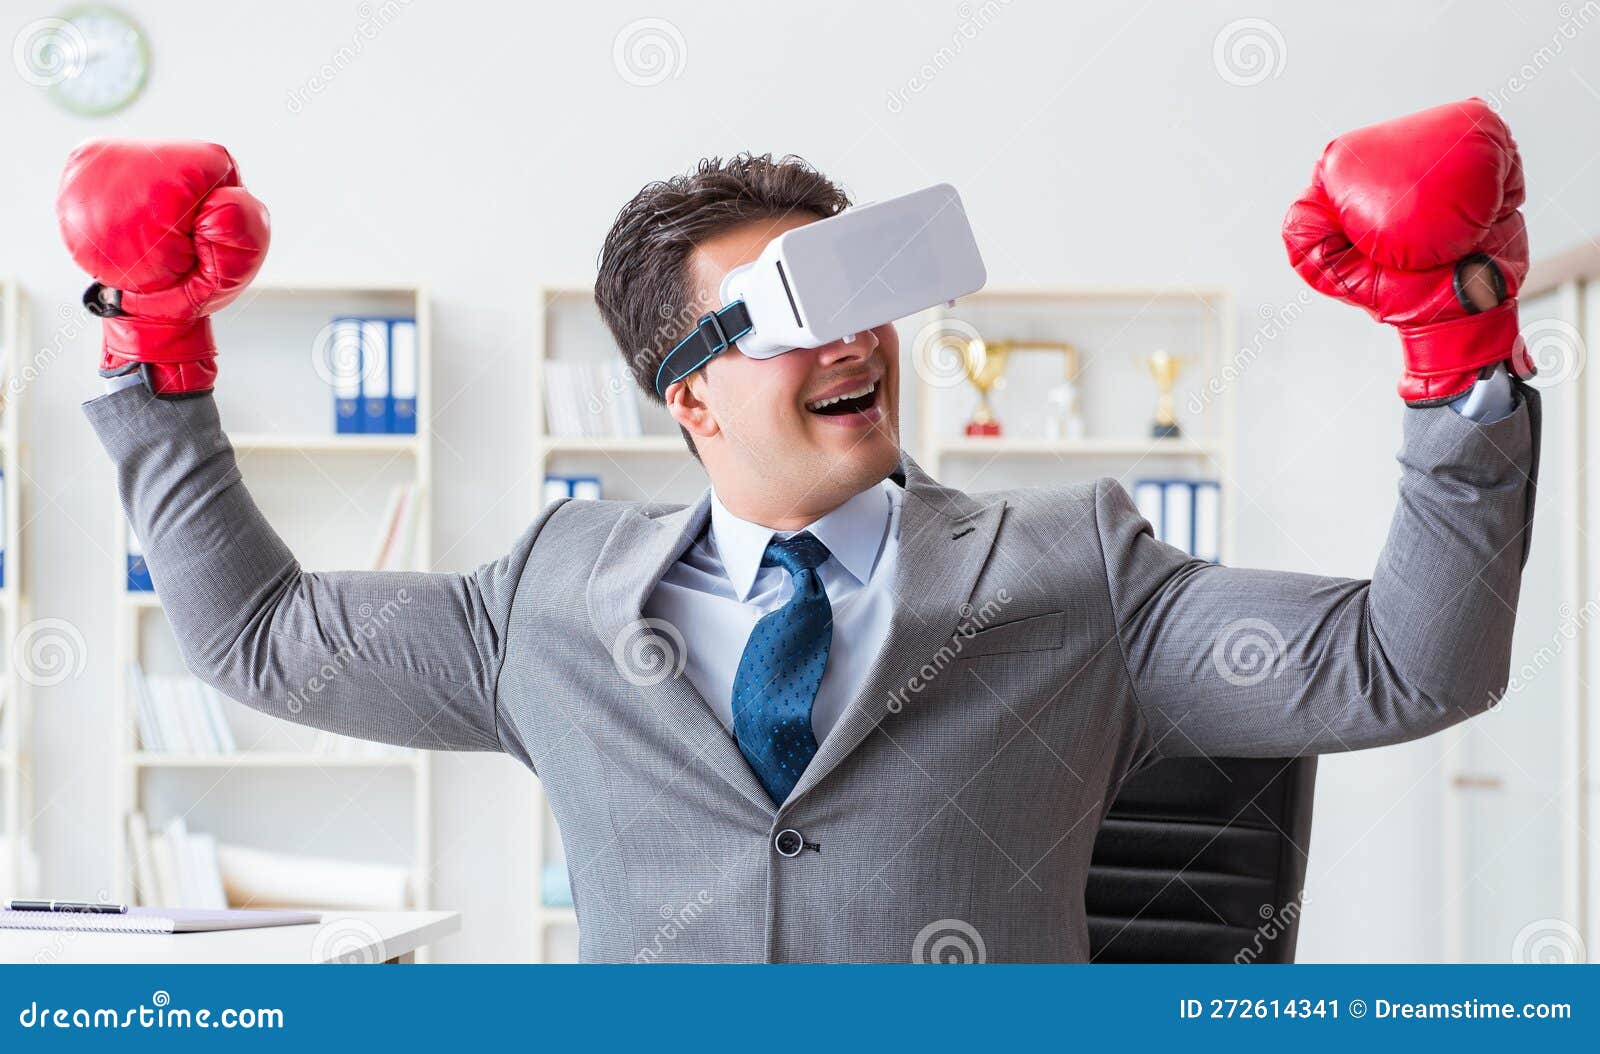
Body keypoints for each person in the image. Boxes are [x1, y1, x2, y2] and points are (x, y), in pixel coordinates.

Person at [61, 98, 1538, 962]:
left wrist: (1456, 357)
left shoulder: (1077, 569)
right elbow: (258, 640)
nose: (859, 345)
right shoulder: (554, 595)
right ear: (688, 387)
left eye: (865, 298)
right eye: (795, 317)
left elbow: (1410, 665)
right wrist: (156, 360)